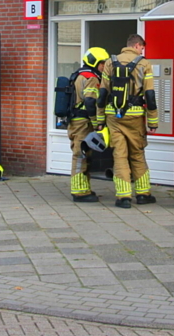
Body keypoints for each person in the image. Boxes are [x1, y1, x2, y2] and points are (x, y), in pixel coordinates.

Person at [100, 34, 158, 209]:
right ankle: (143, 194)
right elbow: (150, 95)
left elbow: (103, 93)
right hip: (135, 115)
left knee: (119, 155)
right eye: (142, 47)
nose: (142, 50)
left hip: (113, 116)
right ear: (137, 45)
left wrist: (100, 120)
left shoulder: (110, 62)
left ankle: (123, 196)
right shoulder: (144, 64)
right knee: (137, 154)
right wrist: (153, 121)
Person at [67, 47, 109, 202]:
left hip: (76, 121)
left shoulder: (78, 74)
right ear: (95, 62)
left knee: (83, 154)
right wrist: (96, 121)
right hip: (83, 122)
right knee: (80, 155)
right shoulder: (91, 77)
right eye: (102, 63)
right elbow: (90, 101)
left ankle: (84, 188)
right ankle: (79, 192)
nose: (104, 67)